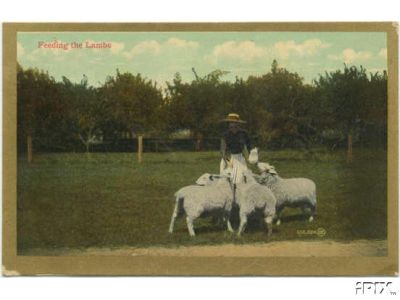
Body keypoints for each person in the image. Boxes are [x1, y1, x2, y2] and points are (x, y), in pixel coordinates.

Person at [220, 113, 252, 184]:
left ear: (238, 123)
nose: (232, 124)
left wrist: (251, 156)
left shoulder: (243, 133)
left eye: (234, 122)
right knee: (227, 179)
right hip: (228, 158)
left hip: (240, 158)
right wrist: (227, 162)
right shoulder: (225, 135)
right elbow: (222, 150)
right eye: (230, 122)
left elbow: (249, 147)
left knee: (243, 178)